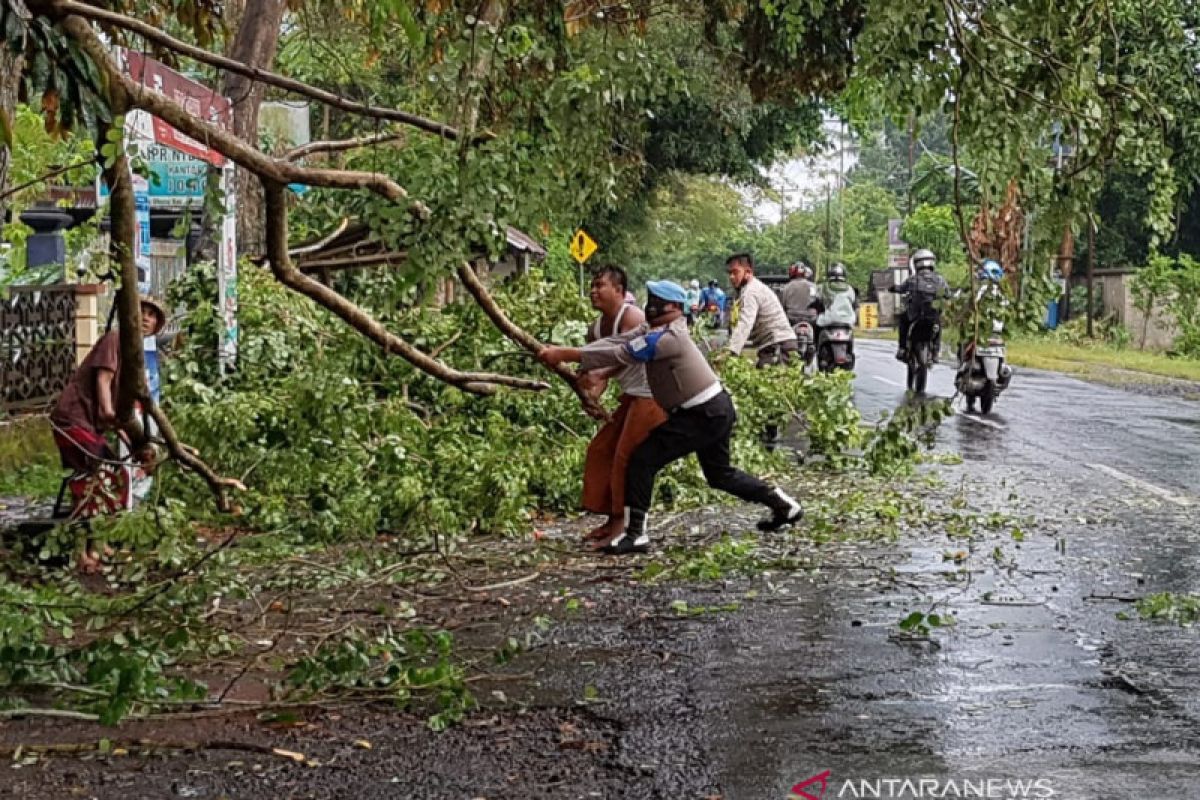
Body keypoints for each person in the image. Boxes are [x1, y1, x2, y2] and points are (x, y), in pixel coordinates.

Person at [537, 280, 803, 554]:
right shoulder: (653, 330)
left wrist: (565, 354)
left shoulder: (668, 339)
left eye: (657, 302)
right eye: (650, 300)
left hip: (703, 412)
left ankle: (635, 534)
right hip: (712, 409)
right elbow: (618, 341)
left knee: (642, 460)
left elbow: (622, 353)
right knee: (720, 475)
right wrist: (569, 352)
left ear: (674, 307)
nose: (650, 307)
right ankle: (784, 505)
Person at [49, 295, 165, 572]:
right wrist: (104, 409)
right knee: (95, 477)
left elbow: (122, 414)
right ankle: (83, 551)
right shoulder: (115, 338)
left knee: (108, 477)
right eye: (142, 312)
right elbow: (103, 378)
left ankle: (95, 545)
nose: (147, 318)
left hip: (89, 425)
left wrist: (136, 447)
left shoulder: (133, 356)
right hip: (73, 419)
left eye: (152, 314)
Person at [577, 265, 668, 548]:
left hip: (651, 395)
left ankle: (623, 526)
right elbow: (597, 368)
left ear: (619, 290)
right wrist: (592, 395)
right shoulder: (595, 328)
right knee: (601, 449)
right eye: (592, 285)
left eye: (600, 285)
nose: (594, 291)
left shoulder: (633, 317)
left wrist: (600, 375)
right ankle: (610, 518)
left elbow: (625, 356)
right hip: (630, 395)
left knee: (624, 458)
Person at [724, 253, 798, 366]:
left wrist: (732, 351)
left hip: (779, 345)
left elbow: (745, 322)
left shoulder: (751, 291)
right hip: (774, 344)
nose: (732, 277)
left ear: (748, 272)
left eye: (735, 272)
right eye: (729, 273)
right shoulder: (744, 292)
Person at [890, 248, 950, 361]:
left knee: (903, 321)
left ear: (916, 264)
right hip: (932, 316)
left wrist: (893, 288)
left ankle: (902, 348)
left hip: (915, 316)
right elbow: (948, 294)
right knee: (938, 325)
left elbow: (901, 288)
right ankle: (936, 352)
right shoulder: (939, 280)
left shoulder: (913, 279)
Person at [810, 262, 858, 332]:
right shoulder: (850, 288)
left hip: (829, 319)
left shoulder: (823, 287)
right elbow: (854, 304)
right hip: (848, 320)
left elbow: (816, 300)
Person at [779, 262, 818, 326]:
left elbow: (782, 305)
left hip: (792, 319)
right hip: (811, 319)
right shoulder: (813, 286)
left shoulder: (787, 287)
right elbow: (817, 302)